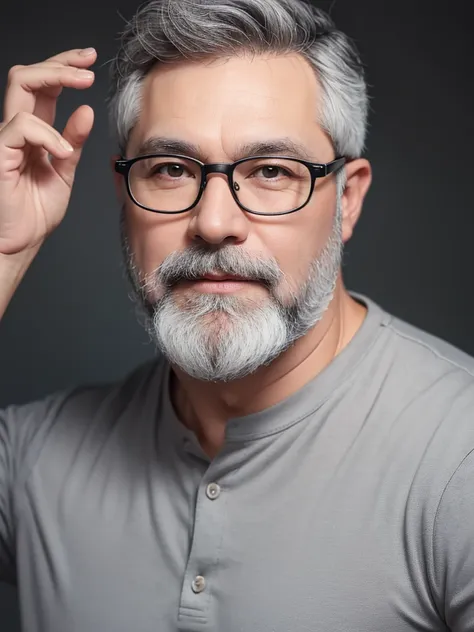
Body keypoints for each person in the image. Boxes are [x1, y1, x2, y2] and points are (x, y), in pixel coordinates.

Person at [0, 0, 473, 630]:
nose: (215, 224)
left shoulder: (458, 461)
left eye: (272, 171)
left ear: (348, 200)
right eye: (170, 169)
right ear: (123, 196)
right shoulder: (33, 459)